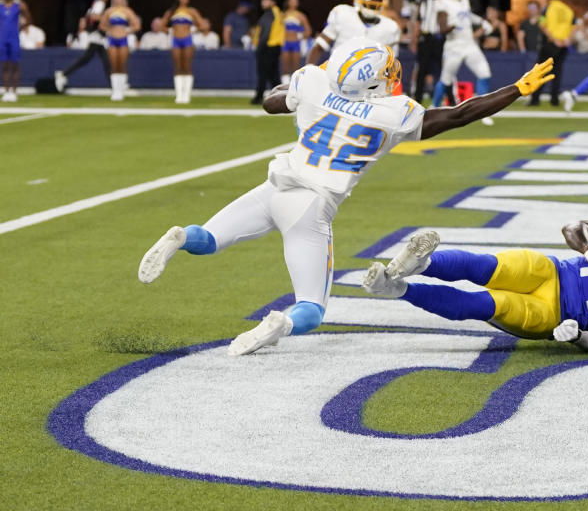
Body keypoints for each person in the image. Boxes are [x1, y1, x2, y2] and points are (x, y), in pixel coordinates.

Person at [136, 40, 555, 356]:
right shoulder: (394, 113)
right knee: (311, 309)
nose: (395, 76)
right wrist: (516, 88)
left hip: (275, 185)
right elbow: (461, 113)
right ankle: (279, 324)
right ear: (375, 82)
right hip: (310, 207)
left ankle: (179, 236)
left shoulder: (315, 82)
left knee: (208, 240)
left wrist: (296, 94)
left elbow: (270, 103)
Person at [362, 209, 588, 350]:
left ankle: (398, 288)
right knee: (484, 266)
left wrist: (580, 336)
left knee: (485, 303)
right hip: (552, 269)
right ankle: (419, 264)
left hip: (554, 313)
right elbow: (575, 227)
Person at [307, 0, 400, 67]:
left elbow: (392, 64)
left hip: (372, 80)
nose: (372, 2)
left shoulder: (390, 28)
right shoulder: (343, 14)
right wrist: (307, 71)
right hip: (337, 77)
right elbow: (319, 46)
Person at [432, 0, 493, 108]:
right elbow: (442, 29)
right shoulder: (441, 3)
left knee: (485, 73)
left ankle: (481, 108)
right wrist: (452, 26)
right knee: (446, 79)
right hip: (454, 46)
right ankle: (433, 108)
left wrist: (481, 22)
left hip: (469, 43)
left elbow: (467, 15)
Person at [55, 0, 112, 93]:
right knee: (100, 61)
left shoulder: (97, 2)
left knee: (100, 61)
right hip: (96, 35)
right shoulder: (100, 3)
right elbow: (94, 16)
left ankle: (114, 86)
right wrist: (107, 18)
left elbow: (89, 15)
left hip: (98, 36)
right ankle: (63, 74)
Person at [529, 0, 574, 107]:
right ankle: (554, 100)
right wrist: (567, 40)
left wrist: (554, 40)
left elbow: (542, 25)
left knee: (540, 72)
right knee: (557, 73)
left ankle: (535, 99)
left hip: (550, 44)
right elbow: (574, 26)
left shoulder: (548, 8)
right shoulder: (567, 9)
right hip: (564, 45)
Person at [161, 0, 206, 104]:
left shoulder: (191, 11)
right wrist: (170, 30)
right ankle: (179, 95)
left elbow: (203, 25)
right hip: (175, 40)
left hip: (187, 40)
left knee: (187, 66)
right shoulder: (172, 11)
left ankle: (186, 95)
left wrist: (194, 29)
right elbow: (162, 25)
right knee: (177, 66)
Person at [100, 0, 142, 101]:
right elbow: (102, 25)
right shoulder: (109, 11)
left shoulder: (127, 11)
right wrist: (109, 30)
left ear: (123, 0)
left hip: (123, 39)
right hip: (112, 40)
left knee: (122, 64)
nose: (118, 0)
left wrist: (127, 30)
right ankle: (115, 90)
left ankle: (121, 89)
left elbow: (137, 25)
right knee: (114, 65)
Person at [411, 0, 445, 104]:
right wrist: (414, 40)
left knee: (444, 70)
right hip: (426, 39)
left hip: (440, 38)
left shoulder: (445, 2)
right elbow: (418, 22)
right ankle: (417, 99)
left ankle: (446, 98)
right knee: (422, 70)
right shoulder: (424, 2)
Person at [252, 0, 284, 105]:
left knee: (263, 73)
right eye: (262, 0)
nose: (263, 3)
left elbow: (266, 33)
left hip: (267, 47)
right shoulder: (277, 12)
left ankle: (258, 97)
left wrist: (259, 47)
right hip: (274, 47)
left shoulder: (270, 14)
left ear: (272, 2)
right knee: (273, 74)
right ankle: (281, 96)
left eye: (266, 0)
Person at [0, 0, 29, 103]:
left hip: (14, 38)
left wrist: (22, 27)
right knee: (5, 65)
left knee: (15, 65)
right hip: (2, 39)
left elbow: (28, 18)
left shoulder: (19, 5)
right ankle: (6, 91)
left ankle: (14, 92)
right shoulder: (0, 5)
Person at [281, 0, 311, 84]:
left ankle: (295, 87)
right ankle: (285, 87)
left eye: (296, 0)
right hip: (285, 43)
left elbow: (308, 31)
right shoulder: (282, 15)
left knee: (295, 68)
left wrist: (298, 36)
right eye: (292, 0)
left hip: (295, 44)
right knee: (285, 67)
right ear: (288, 2)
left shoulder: (301, 16)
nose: (294, 2)